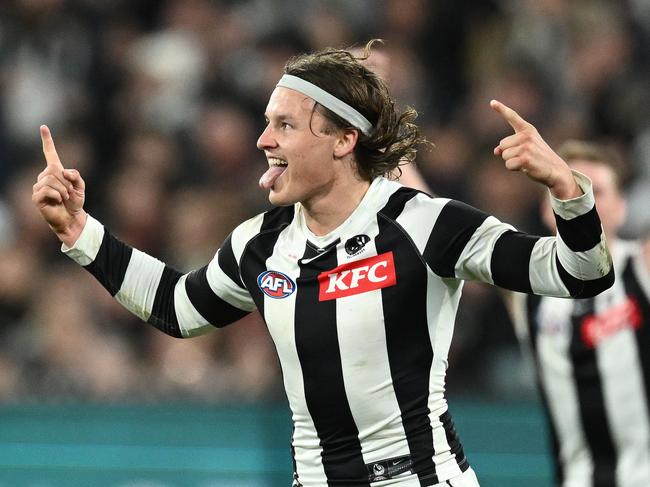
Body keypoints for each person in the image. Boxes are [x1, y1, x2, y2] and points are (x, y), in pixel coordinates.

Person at [32, 42, 614, 487]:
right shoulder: (259, 244)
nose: (263, 140)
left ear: (342, 140)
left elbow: (580, 272)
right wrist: (80, 232)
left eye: (284, 125)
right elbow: (178, 308)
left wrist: (568, 191)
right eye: (266, 122)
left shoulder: (426, 223)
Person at [506, 140, 650, 487]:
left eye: (596, 191)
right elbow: (442, 229)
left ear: (622, 207)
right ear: (547, 209)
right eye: (569, 190)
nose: (584, 202)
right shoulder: (527, 290)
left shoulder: (640, 267)